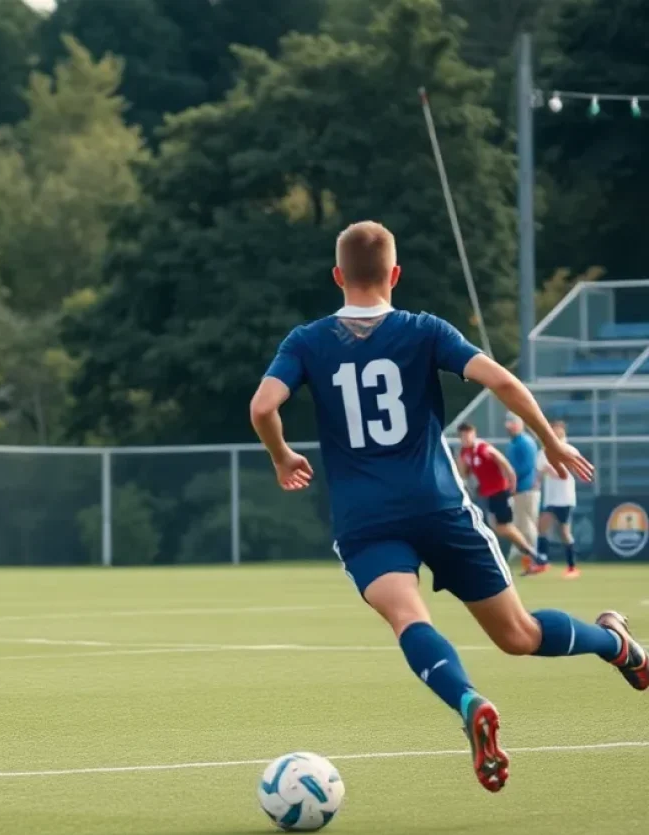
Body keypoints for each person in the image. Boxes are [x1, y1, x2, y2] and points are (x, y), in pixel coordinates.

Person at [250, 221, 647, 794]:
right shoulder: (424, 330)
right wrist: (550, 440)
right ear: (395, 275)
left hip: (367, 519)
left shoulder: (306, 341)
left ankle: (467, 700)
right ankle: (619, 647)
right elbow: (502, 381)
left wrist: (283, 456)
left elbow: (264, 406)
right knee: (518, 634)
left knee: (410, 619)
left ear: (338, 276)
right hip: (439, 507)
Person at [456, 423, 546, 574]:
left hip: (499, 491)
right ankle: (529, 553)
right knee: (496, 527)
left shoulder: (484, 448)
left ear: (474, 433)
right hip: (488, 494)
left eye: (468, 434)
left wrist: (512, 483)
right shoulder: (465, 452)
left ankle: (531, 553)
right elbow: (464, 474)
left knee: (502, 526)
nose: (466, 438)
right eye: (463, 436)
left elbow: (505, 464)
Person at [537, 420, 580, 578]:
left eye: (558, 430)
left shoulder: (569, 450)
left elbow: (565, 473)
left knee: (564, 532)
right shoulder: (544, 450)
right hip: (550, 498)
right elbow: (540, 472)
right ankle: (543, 562)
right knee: (542, 527)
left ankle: (572, 567)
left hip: (565, 498)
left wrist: (552, 469)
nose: (555, 432)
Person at [504, 413, 541, 568]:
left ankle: (534, 560)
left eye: (512, 422)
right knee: (520, 525)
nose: (508, 426)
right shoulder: (514, 443)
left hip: (526, 490)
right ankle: (526, 560)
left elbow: (524, 468)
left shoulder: (525, 442)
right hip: (518, 490)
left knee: (528, 526)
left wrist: (511, 480)